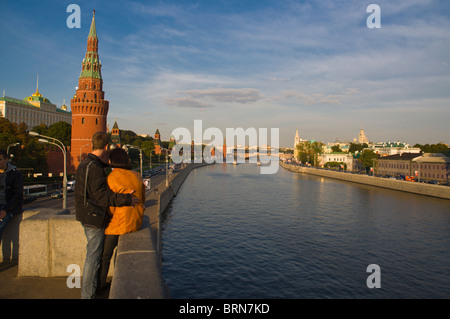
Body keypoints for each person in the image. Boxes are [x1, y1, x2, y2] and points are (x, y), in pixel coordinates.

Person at [74, 132, 140, 299]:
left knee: (97, 257)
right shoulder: (95, 168)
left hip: (86, 215)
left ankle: (95, 288)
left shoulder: (85, 163)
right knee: (93, 258)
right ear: (105, 147)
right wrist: (126, 199)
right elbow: (101, 196)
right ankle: (88, 295)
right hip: (94, 218)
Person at [97, 147, 145, 291]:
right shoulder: (136, 175)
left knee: (105, 256)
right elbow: (143, 198)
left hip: (117, 225)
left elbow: (110, 205)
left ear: (112, 161)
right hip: (135, 221)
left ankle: (100, 285)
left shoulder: (111, 178)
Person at [0, 149, 23, 245]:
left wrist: (6, 210)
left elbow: (17, 194)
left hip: (9, 207)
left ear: (6, 159)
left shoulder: (15, 173)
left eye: (0, 159)